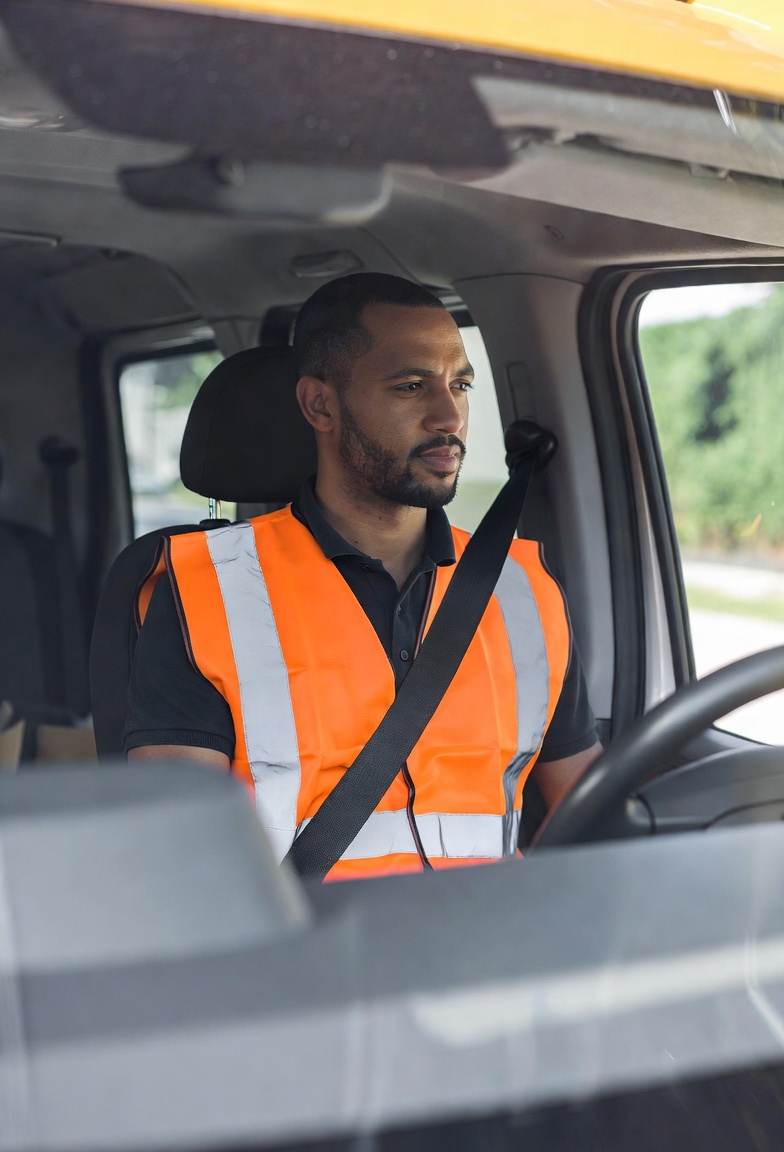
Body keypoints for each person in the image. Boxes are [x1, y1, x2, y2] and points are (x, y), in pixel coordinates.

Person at [125, 273, 601, 879]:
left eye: (460, 385)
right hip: (302, 963)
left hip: (499, 955)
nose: (448, 416)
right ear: (320, 405)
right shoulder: (205, 592)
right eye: (411, 386)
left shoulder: (523, 590)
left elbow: (587, 812)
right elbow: (176, 859)